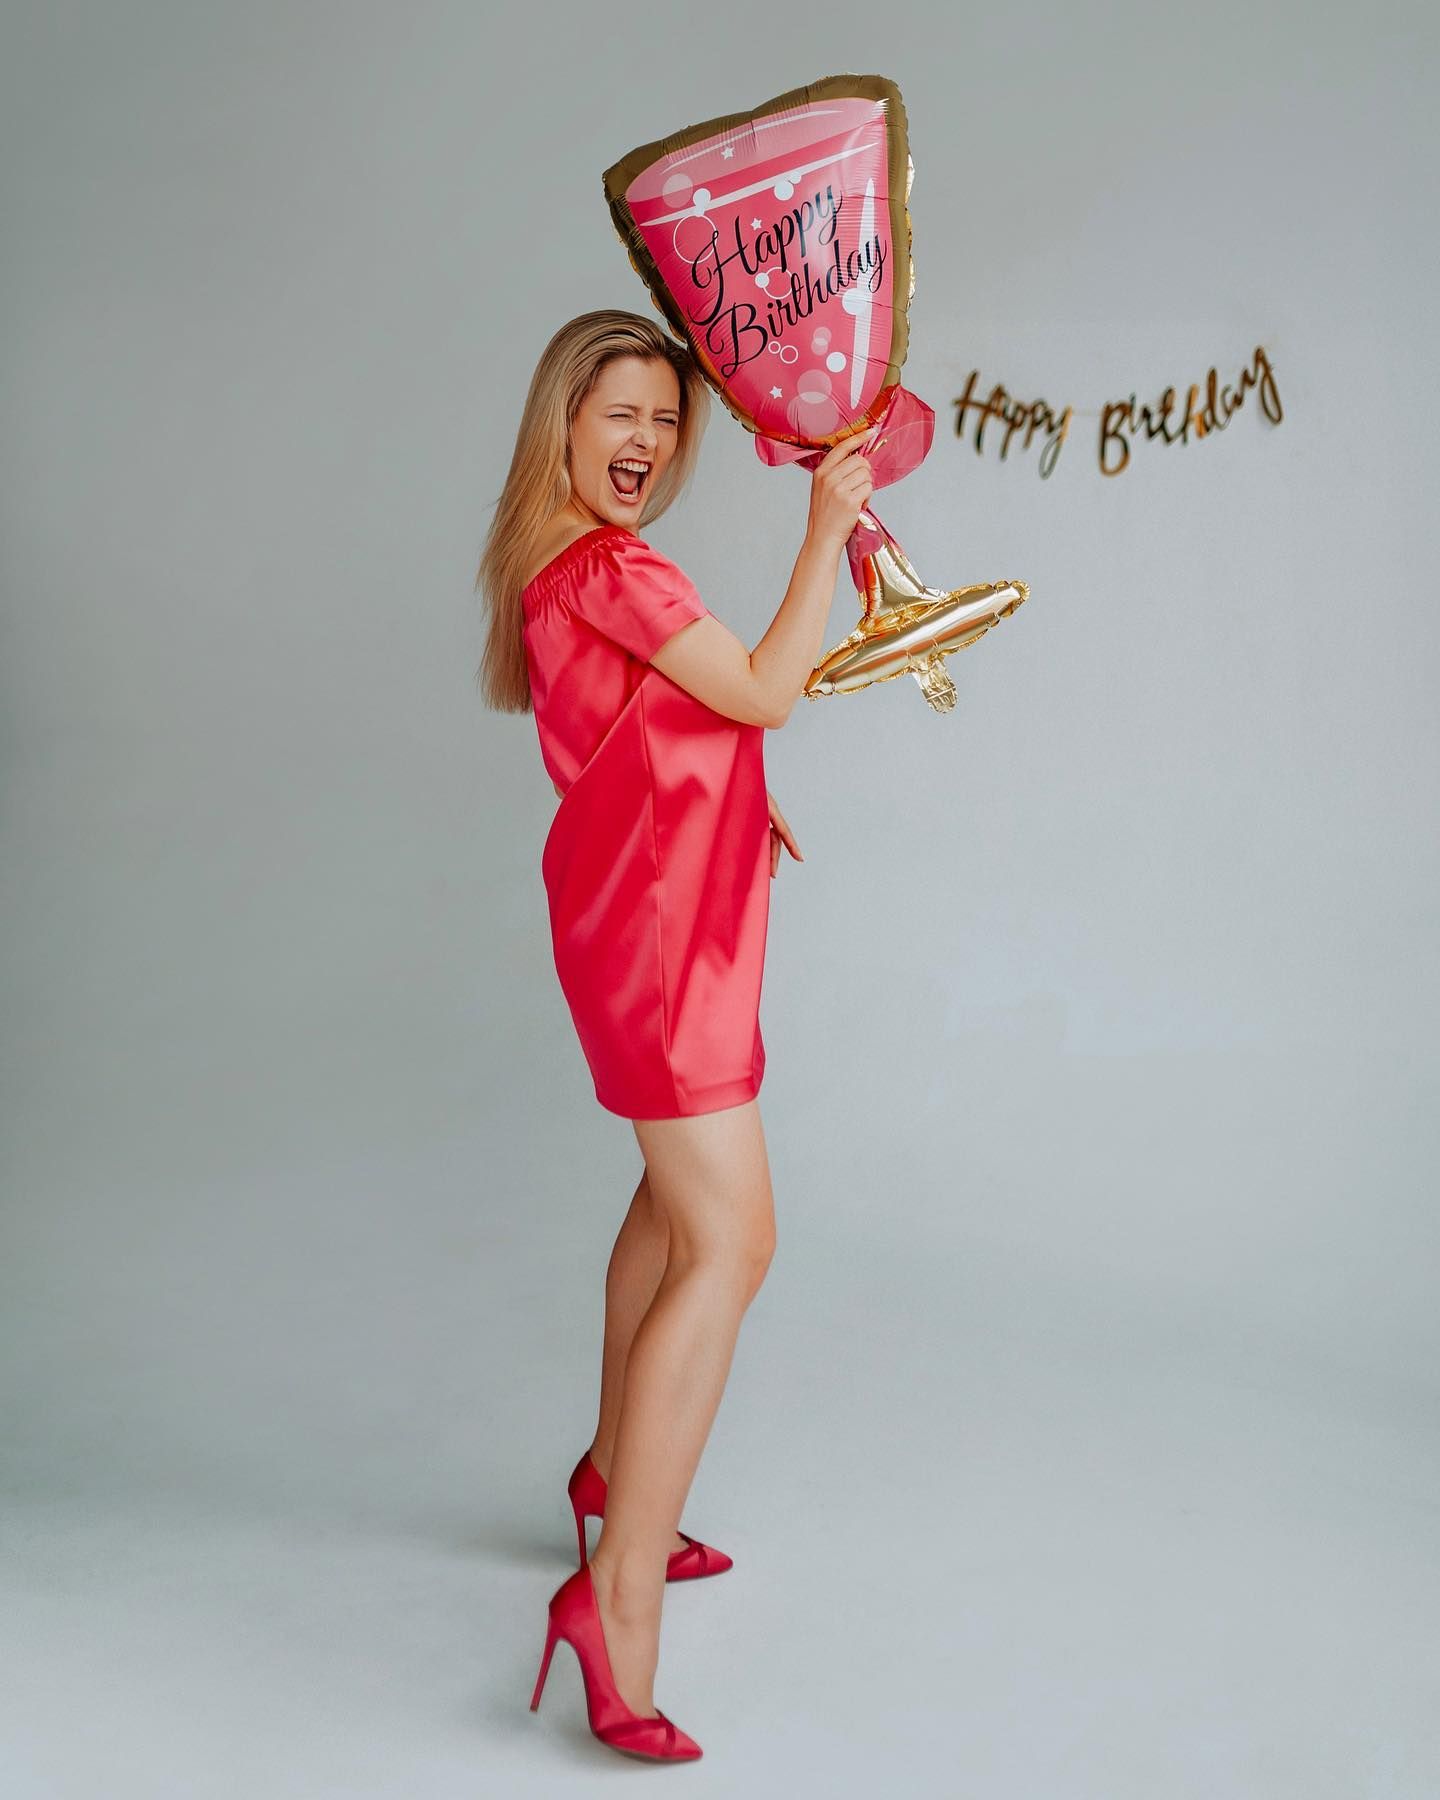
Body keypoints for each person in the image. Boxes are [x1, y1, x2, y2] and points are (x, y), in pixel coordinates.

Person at [476, 309, 872, 1763]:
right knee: (733, 1242)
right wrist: (826, 528)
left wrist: (732, 795)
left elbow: (643, 730)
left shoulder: (561, 568)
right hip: (657, 938)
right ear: (564, 430)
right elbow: (761, 689)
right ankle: (617, 1597)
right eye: (618, 415)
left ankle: (607, 1477)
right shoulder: (613, 567)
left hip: (653, 917)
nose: (645, 440)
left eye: (663, 418)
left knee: (670, 1200)